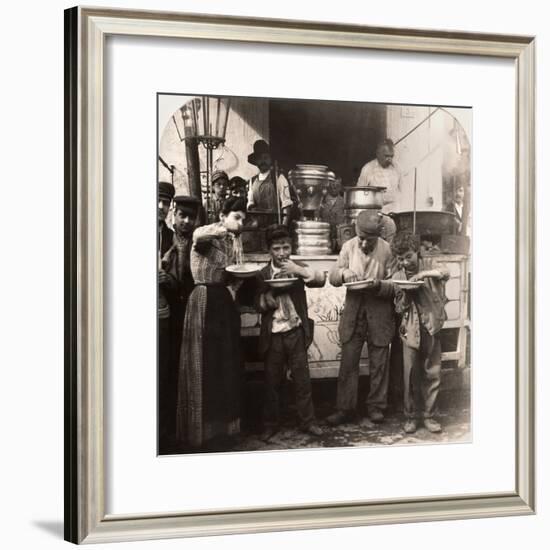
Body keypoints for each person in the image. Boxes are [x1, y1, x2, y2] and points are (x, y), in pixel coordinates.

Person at [177, 197, 247, 450]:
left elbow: (236, 273)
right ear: (223, 216)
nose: (241, 223)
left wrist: (235, 288)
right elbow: (197, 236)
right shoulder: (207, 236)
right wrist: (225, 227)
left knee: (224, 363)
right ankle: (201, 433)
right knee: (204, 363)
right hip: (203, 300)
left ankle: (224, 430)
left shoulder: (233, 244)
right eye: (236, 217)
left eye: (243, 219)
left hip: (224, 303)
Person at [256, 225, 325, 441]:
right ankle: (270, 424)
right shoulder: (263, 274)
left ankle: (308, 421)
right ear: (269, 250)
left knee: (303, 381)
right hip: (274, 334)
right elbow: (255, 303)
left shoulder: (298, 267)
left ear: (291, 247)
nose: (282, 252)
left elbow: (320, 280)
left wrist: (299, 270)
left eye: (286, 247)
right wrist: (266, 300)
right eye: (277, 248)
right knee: (272, 382)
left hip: (295, 332)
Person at [326, 210, 395, 426]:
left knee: (379, 363)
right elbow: (333, 276)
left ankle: (376, 407)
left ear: (378, 236)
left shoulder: (387, 250)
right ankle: (344, 408)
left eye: (370, 240)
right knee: (348, 362)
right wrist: (344, 272)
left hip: (379, 313)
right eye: (361, 239)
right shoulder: (348, 247)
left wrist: (380, 285)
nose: (364, 244)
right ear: (357, 234)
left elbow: (396, 285)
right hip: (354, 312)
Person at [390, 231, 449, 434]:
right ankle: (411, 417)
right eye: (401, 259)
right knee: (410, 375)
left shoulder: (430, 265)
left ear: (417, 252)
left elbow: (445, 273)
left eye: (409, 257)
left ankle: (429, 416)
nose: (406, 263)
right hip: (410, 331)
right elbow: (398, 308)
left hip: (431, 327)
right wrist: (406, 295)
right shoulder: (397, 276)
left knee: (432, 373)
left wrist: (423, 276)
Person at [159, 195, 201, 452]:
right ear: (174, 216)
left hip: (192, 310)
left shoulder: (199, 242)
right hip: (170, 313)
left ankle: (189, 427)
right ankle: (168, 428)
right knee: (169, 367)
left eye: (191, 217)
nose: (186, 221)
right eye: (182, 216)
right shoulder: (166, 240)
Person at [157, 181, 175, 451]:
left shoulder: (170, 238)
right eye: (157, 200)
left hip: (162, 309)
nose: (161, 207)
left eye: (166, 203)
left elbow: (176, 278)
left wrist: (167, 277)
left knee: (162, 367)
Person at [356, 139, 402, 242]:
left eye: (391, 156)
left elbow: (403, 191)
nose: (389, 159)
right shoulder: (368, 169)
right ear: (378, 154)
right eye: (386, 156)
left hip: (395, 214)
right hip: (375, 217)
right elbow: (359, 194)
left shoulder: (397, 168)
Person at [247, 139, 293, 226]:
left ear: (270, 159)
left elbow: (286, 205)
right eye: (259, 159)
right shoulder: (252, 181)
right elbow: (250, 203)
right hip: (258, 226)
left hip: (275, 225)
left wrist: (283, 226)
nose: (263, 161)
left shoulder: (279, 178)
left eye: (265, 158)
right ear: (256, 161)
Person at [319, 176, 346, 252]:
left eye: (337, 186)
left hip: (339, 240)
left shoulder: (344, 202)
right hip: (324, 238)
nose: (334, 188)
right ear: (328, 186)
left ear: (340, 187)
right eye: (332, 185)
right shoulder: (321, 200)